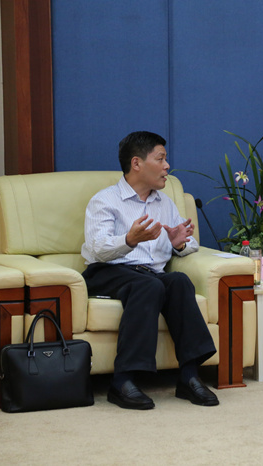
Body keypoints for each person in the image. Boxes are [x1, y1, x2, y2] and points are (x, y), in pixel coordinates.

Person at [81, 131, 218, 409]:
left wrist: (179, 243)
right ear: (137, 163)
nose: (167, 166)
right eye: (161, 159)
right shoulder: (105, 200)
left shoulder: (164, 202)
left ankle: (189, 377)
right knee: (150, 285)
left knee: (179, 281)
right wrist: (129, 240)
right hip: (106, 271)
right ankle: (122, 381)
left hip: (148, 274)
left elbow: (188, 242)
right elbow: (97, 249)